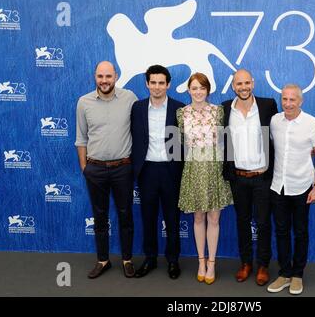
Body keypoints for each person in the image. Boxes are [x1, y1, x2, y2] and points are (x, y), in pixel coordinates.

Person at [75, 61, 138, 279]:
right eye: (100, 76)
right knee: (99, 216)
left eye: (108, 76)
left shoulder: (130, 98)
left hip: (123, 168)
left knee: (125, 215)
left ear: (116, 76)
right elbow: (81, 139)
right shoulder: (84, 102)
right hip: (95, 169)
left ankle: (127, 259)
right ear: (95, 77)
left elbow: (139, 130)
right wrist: (85, 168)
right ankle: (103, 260)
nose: (104, 81)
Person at [267, 84, 315, 295]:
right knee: (281, 232)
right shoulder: (275, 121)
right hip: (278, 187)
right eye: (285, 99)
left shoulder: (313, 124)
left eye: (292, 100)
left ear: (300, 101)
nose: (288, 103)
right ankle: (284, 273)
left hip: (302, 187)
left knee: (300, 232)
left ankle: (297, 275)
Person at [222, 69, 278, 286]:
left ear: (252, 83)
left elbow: (279, 135)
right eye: (239, 84)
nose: (243, 87)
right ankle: (246, 263)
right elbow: (223, 142)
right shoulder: (226, 108)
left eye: (246, 83)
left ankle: (263, 265)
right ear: (233, 86)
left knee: (263, 223)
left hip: (262, 177)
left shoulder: (267, 105)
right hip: (238, 178)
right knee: (242, 222)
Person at [177, 72, 232, 285]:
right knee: (198, 218)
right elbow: (180, 142)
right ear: (188, 90)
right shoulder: (181, 114)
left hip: (215, 169)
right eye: (194, 88)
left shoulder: (218, 112)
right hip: (193, 169)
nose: (198, 92)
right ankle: (200, 262)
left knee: (214, 219)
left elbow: (224, 140)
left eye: (202, 88)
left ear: (208, 90)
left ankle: (212, 263)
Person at [131, 65, 184, 279]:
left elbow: (186, 143)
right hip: (147, 170)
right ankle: (150, 258)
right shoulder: (137, 108)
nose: (157, 87)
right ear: (147, 84)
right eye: (153, 82)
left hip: (171, 170)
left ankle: (173, 261)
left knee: (172, 218)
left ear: (168, 84)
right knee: (148, 217)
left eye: (161, 83)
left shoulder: (179, 109)